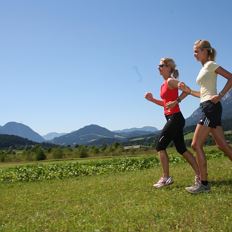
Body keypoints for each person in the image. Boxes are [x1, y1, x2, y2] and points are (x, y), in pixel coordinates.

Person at [178, 40, 232, 194]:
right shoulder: (204, 68)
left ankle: (204, 184)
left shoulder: (210, 65)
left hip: (210, 108)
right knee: (222, 145)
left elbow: (230, 77)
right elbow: (202, 93)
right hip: (207, 105)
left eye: (196, 51)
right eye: (194, 51)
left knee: (195, 144)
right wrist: (188, 91)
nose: (194, 54)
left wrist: (220, 95)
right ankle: (203, 183)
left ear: (205, 51)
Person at [145, 57, 200, 189]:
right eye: (158, 65)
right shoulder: (164, 84)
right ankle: (200, 175)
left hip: (175, 118)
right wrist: (152, 100)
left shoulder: (170, 81)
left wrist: (177, 100)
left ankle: (166, 178)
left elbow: (187, 90)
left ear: (169, 67)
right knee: (182, 149)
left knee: (160, 146)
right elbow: (165, 104)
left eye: (161, 65)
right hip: (172, 117)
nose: (159, 67)